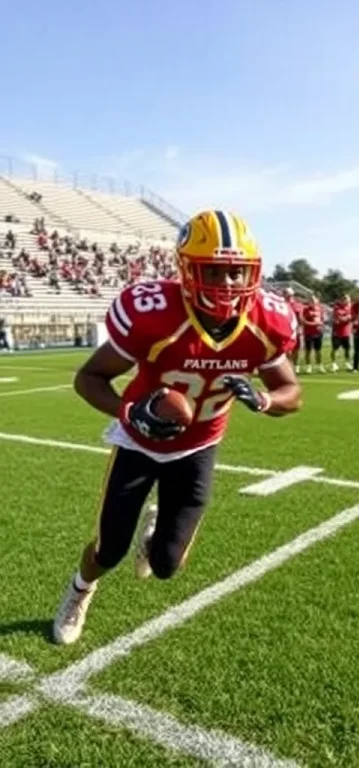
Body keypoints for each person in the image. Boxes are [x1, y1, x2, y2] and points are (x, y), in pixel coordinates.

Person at [52, 209, 301, 645]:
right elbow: (88, 378)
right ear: (187, 270)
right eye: (215, 271)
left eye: (236, 272)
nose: (226, 284)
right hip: (139, 441)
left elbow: (291, 392)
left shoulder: (265, 321)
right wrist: (128, 412)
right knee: (108, 550)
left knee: (167, 566)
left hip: (199, 446)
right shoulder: (155, 312)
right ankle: (79, 591)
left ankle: (155, 530)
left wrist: (264, 400)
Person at [301, 293, 325, 373]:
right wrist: (313, 324)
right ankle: (308, 366)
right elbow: (303, 321)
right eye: (311, 299)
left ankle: (320, 366)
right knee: (308, 350)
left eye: (314, 299)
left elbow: (323, 319)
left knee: (318, 350)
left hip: (318, 333)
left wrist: (321, 324)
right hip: (308, 333)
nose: (312, 301)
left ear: (317, 300)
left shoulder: (320, 309)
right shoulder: (305, 309)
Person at [330, 294, 353, 372]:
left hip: (347, 332)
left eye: (347, 299)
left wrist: (344, 319)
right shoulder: (337, 308)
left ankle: (347, 363)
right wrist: (346, 318)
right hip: (337, 332)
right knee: (335, 349)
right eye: (344, 299)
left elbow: (350, 317)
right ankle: (334, 364)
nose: (346, 300)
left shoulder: (351, 308)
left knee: (347, 349)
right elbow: (337, 319)